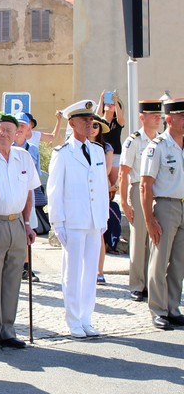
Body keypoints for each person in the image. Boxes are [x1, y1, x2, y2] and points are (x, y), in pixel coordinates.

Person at [0, 112, 39, 352]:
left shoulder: (23, 157)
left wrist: (28, 223)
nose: (3, 134)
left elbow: (29, 193)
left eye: (8, 131)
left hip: (16, 224)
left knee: (13, 279)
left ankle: (7, 331)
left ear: (16, 134)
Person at [47, 99, 109, 338]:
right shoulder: (62, 153)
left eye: (91, 120)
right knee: (72, 273)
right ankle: (73, 320)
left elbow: (101, 187)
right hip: (73, 220)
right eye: (84, 120)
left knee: (90, 272)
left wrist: (103, 217)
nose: (89, 124)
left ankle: (86, 318)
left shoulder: (97, 150)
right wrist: (57, 222)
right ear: (72, 123)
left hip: (93, 220)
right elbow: (55, 190)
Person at [139, 98, 184, 331]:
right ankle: (158, 310)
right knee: (159, 260)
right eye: (182, 116)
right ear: (170, 119)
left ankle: (173, 308)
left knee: (179, 261)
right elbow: (145, 185)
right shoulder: (157, 147)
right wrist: (149, 219)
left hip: (183, 205)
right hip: (166, 206)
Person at [119, 100, 163, 302]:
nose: (157, 118)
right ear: (142, 117)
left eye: (159, 116)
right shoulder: (134, 141)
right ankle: (137, 284)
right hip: (138, 189)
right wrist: (125, 202)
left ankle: (152, 282)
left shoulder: (161, 141)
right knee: (138, 239)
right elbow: (123, 173)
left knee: (156, 239)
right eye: (153, 115)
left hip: (158, 190)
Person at [13, 111, 41, 282]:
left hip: (27, 195)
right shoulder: (6, 146)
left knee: (27, 230)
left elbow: (35, 178)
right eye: (17, 125)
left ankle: (26, 266)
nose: (19, 128)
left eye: (23, 125)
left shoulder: (33, 150)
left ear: (28, 128)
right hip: (11, 195)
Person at [86, 115, 113, 284]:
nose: (93, 128)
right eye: (90, 125)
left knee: (99, 233)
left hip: (99, 191)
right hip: (83, 194)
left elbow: (106, 170)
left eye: (96, 125)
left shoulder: (105, 148)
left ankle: (99, 270)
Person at [96, 89, 125, 186]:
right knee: (102, 181)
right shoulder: (100, 122)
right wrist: (101, 99)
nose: (110, 105)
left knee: (112, 183)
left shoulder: (117, 122)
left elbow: (121, 119)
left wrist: (115, 101)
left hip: (115, 155)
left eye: (112, 104)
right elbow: (96, 117)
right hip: (102, 154)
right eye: (108, 103)